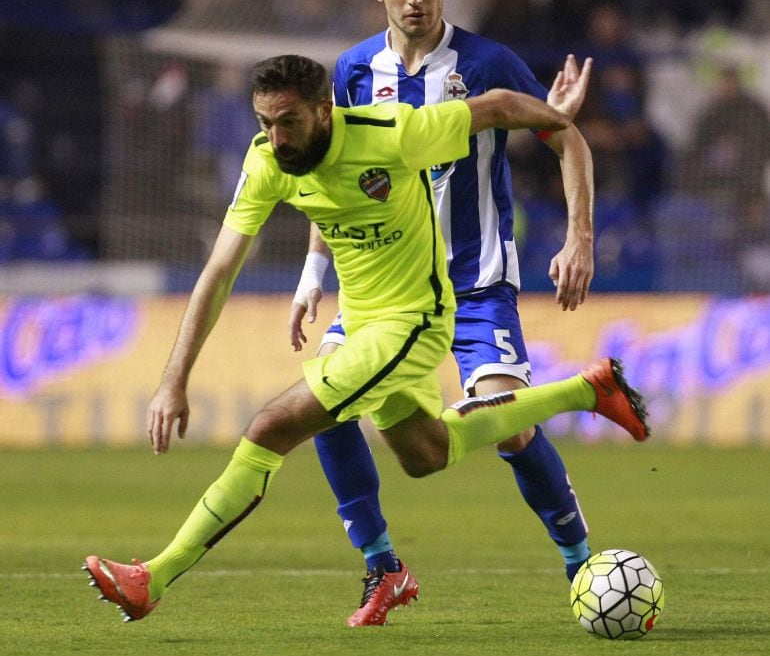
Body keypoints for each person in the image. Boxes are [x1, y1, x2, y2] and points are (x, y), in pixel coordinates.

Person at [84, 53, 649, 625]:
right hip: (359, 321)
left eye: (288, 122)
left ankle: (152, 576)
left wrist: (552, 117)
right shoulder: (267, 164)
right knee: (425, 454)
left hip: (415, 320)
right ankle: (588, 390)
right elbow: (219, 272)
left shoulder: (395, 134)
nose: (276, 137)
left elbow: (499, 106)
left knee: (269, 428)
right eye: (264, 124)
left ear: (324, 111)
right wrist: (172, 381)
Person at [287, 0, 597, 626]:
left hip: (477, 285)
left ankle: (582, 560)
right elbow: (331, 173)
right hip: (386, 292)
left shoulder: (487, 63)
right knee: (322, 404)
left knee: (507, 427)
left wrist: (579, 238)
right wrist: (313, 269)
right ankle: (381, 564)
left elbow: (565, 139)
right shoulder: (354, 71)